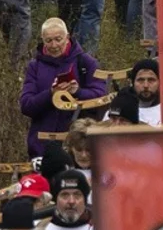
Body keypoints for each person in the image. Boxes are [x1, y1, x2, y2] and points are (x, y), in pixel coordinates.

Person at [19, 18, 107, 156]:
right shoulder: (34, 66)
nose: (54, 45)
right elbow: (26, 105)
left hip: (79, 148)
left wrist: (77, 92)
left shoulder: (86, 63)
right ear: (42, 40)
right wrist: (51, 94)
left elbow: (102, 97)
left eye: (58, 39)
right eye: (48, 41)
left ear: (67, 38)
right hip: (41, 147)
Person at [126, 59, 161, 125]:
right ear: (133, 83)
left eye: (151, 80)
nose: (146, 85)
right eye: (140, 80)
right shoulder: (118, 114)